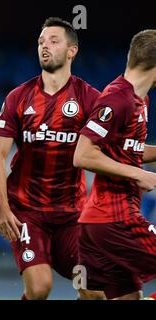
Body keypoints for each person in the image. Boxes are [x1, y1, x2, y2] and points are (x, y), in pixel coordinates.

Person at [0, 17, 104, 300]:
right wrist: (3, 208)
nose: (45, 46)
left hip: (72, 216)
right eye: (41, 42)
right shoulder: (18, 97)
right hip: (27, 212)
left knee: (94, 291)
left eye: (53, 41)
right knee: (40, 288)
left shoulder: (90, 99)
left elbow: (112, 152)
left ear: (71, 51)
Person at [73, 29, 156, 300]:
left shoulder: (140, 99)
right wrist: (137, 174)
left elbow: (126, 151)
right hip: (117, 221)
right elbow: (83, 155)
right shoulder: (117, 99)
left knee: (121, 297)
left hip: (97, 224)